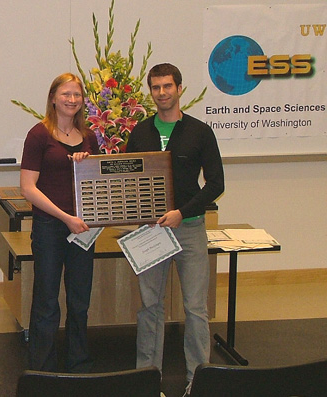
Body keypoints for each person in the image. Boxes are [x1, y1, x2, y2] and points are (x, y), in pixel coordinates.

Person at [126, 63, 224, 397]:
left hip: (191, 229)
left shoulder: (199, 132)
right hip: (151, 232)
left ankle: (198, 382)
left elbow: (216, 183)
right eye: (155, 87)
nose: (162, 93)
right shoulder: (139, 133)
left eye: (168, 86)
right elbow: (128, 182)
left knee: (196, 309)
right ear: (150, 91)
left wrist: (183, 213)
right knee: (149, 307)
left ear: (179, 88)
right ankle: (146, 379)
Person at [20, 73, 100, 372]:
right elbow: (28, 187)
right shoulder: (39, 135)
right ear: (53, 98)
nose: (71, 100)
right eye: (65, 94)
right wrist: (65, 217)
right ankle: (42, 367)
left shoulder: (90, 137)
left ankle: (78, 361)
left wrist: (86, 163)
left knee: (80, 300)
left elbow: (97, 182)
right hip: (50, 227)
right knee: (47, 301)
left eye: (77, 95)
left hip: (82, 229)